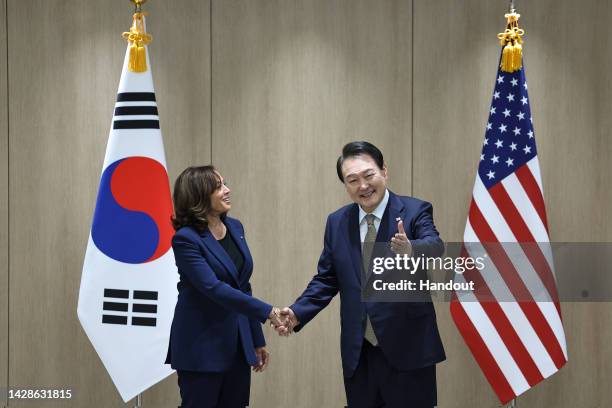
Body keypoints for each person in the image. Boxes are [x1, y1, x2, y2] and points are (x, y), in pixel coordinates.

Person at [276, 141, 446, 408]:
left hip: (408, 350)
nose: (363, 186)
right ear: (345, 185)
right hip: (360, 352)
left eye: (368, 176)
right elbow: (327, 278)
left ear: (384, 172)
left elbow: (435, 247)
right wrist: (298, 311)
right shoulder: (337, 222)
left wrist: (411, 248)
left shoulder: (414, 211)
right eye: (352, 180)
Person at [165, 165, 284, 408]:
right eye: (218, 187)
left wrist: (255, 340)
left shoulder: (236, 228)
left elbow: (242, 286)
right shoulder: (186, 238)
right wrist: (269, 311)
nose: (227, 190)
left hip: (237, 347)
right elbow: (213, 288)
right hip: (201, 348)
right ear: (199, 195)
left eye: (225, 183)